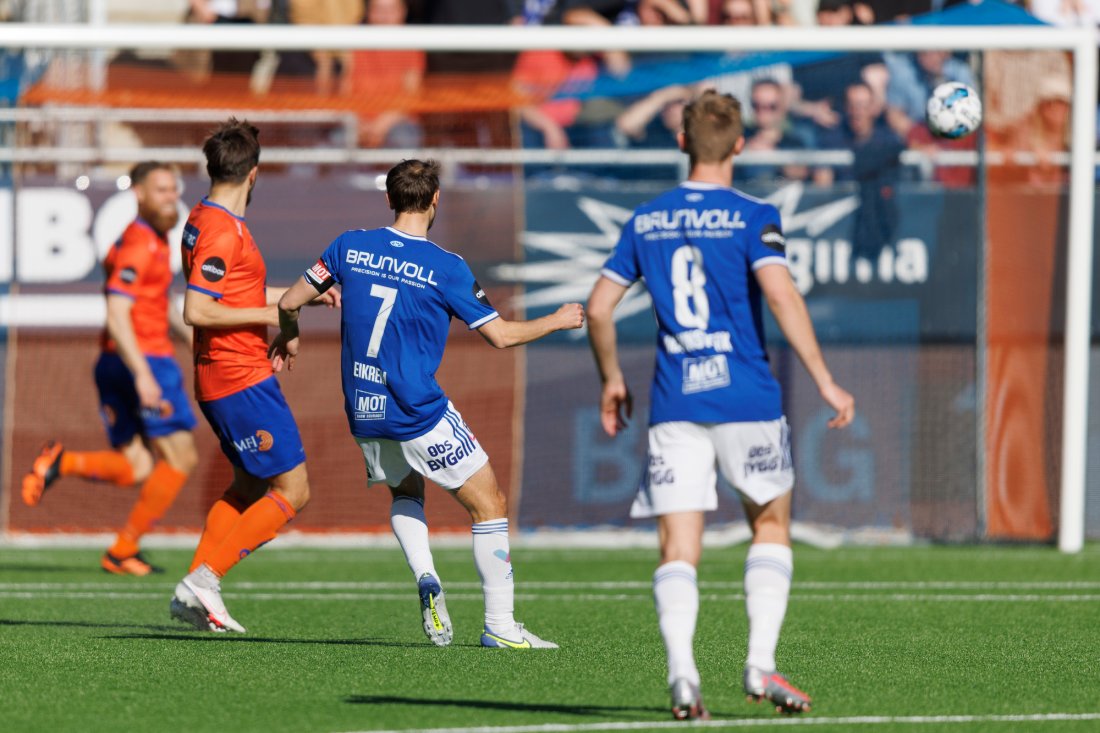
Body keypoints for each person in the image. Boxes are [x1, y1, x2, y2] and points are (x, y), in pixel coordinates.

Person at [586, 90, 854, 719]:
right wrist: (824, 378)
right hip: (747, 398)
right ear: (738, 144)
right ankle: (760, 663)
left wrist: (609, 379)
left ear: (680, 143)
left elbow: (598, 308)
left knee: (679, 549)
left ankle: (683, 675)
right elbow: (782, 298)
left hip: (676, 402)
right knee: (770, 525)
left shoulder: (646, 220)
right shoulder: (753, 215)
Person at [271, 159, 584, 649]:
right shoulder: (447, 266)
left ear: (389, 199)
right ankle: (501, 627)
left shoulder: (349, 244)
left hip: (363, 408)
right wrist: (559, 320)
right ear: (436, 199)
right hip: (418, 411)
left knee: (406, 492)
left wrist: (289, 338)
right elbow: (499, 336)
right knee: (490, 505)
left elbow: (289, 302)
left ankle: (426, 577)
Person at [168, 118, 338, 633]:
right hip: (238, 375)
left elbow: (229, 296)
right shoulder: (222, 230)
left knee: (247, 482)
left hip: (224, 375)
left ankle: (195, 586)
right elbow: (196, 309)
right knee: (294, 489)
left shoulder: (203, 217)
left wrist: (293, 298)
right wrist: (273, 318)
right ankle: (206, 580)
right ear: (254, 175)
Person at [22, 162, 199, 576]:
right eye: (161, 190)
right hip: (143, 360)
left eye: (174, 190)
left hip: (120, 360)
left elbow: (157, 301)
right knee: (181, 458)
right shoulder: (138, 244)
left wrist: (190, 338)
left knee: (139, 467)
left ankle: (62, 462)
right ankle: (122, 549)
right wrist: (142, 373)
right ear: (138, 194)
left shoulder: (154, 240)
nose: (172, 197)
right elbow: (118, 313)